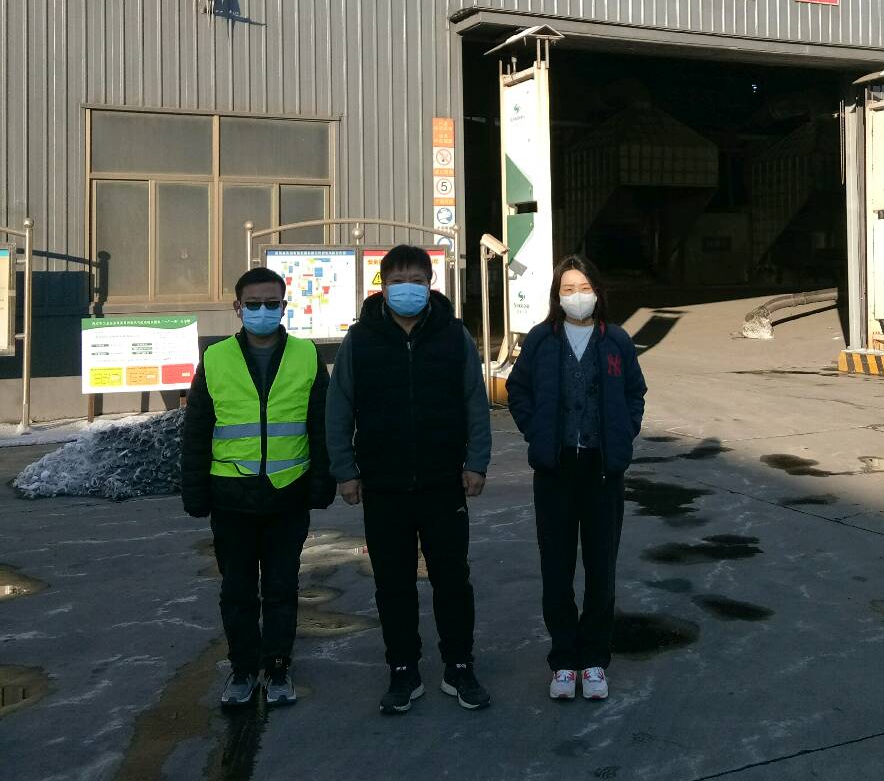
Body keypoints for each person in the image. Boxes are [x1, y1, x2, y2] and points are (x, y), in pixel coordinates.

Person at [326, 244, 492, 715]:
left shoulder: (454, 335)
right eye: (397, 280)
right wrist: (345, 471)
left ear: (430, 284)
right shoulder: (360, 339)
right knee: (393, 584)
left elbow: (474, 402)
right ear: (382, 286)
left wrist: (476, 462)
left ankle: (459, 666)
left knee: (452, 580)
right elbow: (338, 408)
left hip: (444, 482)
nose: (407, 289)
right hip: (383, 485)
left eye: (416, 280)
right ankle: (403, 670)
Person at [182, 267, 334, 708]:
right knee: (237, 592)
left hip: (288, 495)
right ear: (238, 308)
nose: (263, 311)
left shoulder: (306, 356)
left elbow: (321, 426)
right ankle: (243, 669)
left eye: (271, 303)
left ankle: (279, 666)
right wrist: (195, 490)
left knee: (282, 589)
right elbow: (197, 430)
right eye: (253, 304)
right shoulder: (216, 358)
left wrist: (321, 482)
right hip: (232, 499)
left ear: (284, 307)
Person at [506, 255, 646, 703]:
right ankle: (564, 660)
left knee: (601, 569)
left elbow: (635, 393)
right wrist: (536, 432)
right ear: (557, 296)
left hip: (603, 471)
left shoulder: (617, 341)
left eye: (583, 287)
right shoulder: (541, 340)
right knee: (557, 569)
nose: (577, 296)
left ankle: (594, 660)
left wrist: (623, 432)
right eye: (568, 289)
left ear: (597, 292)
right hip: (556, 469)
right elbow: (518, 390)